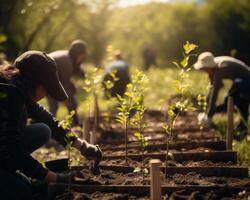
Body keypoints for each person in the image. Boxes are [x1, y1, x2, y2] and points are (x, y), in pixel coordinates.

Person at [0, 51, 102, 200]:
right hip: (6, 149)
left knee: (43, 130)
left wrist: (81, 145)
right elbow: (12, 149)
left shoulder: (19, 89)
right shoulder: (9, 94)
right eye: (46, 88)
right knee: (23, 191)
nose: (46, 95)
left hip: (4, 149)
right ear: (34, 81)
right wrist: (56, 178)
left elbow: (48, 119)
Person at [194, 52, 250, 140]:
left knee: (232, 99)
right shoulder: (213, 70)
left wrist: (209, 116)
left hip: (246, 80)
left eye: (204, 68)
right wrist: (207, 109)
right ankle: (242, 127)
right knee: (235, 100)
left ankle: (242, 129)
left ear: (209, 66)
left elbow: (215, 91)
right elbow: (211, 89)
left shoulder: (220, 68)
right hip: (240, 81)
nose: (203, 70)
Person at [48, 40, 87, 126]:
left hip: (52, 78)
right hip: (46, 78)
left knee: (70, 95)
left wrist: (86, 76)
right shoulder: (67, 62)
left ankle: (75, 122)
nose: (83, 58)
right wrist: (68, 101)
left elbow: (78, 71)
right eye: (82, 55)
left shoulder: (68, 57)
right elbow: (65, 86)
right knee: (54, 106)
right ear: (78, 54)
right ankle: (49, 127)